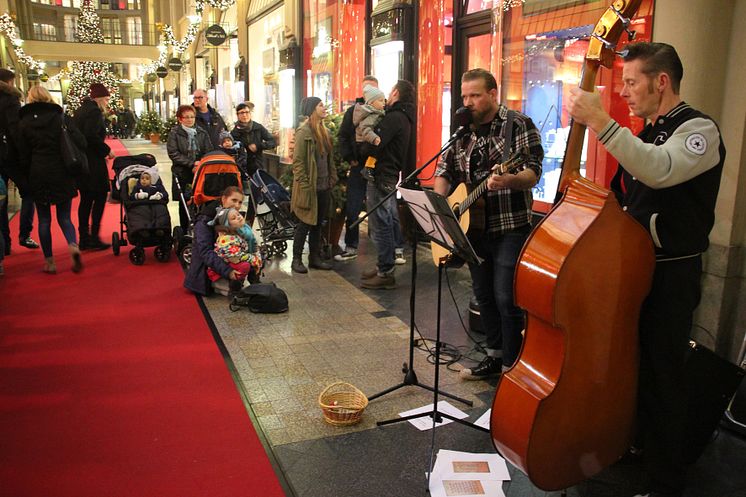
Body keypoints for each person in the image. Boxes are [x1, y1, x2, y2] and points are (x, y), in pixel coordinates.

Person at [567, 42, 725, 497]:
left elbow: (659, 172)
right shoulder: (651, 129)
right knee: (633, 366)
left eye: (632, 82)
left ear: (662, 81)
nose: (626, 92)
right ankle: (636, 444)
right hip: (636, 267)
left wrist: (601, 121)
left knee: (663, 373)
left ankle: (665, 479)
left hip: (672, 274)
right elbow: (630, 192)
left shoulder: (698, 130)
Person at [434, 68, 543, 378]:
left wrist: (510, 178)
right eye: (465, 96)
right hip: (473, 230)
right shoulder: (463, 130)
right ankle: (494, 356)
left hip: (510, 226)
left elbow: (533, 171)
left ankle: (512, 363)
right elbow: (444, 170)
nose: (468, 102)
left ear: (493, 94)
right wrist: (443, 208)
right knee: (483, 295)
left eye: (475, 95)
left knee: (506, 297)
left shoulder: (518, 125)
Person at [17, 85, 87, 274]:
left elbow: (23, 154)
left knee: (44, 220)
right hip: (60, 171)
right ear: (48, 97)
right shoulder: (59, 118)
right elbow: (78, 141)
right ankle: (73, 245)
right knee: (64, 217)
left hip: (38, 172)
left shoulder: (23, 122)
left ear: (30, 99)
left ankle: (50, 262)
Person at [359, 80, 417, 289]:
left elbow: (377, 143)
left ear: (395, 93)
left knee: (380, 224)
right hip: (390, 174)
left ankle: (385, 272)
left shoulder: (394, 118)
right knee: (383, 220)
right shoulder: (406, 117)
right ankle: (384, 265)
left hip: (382, 174)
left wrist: (365, 148)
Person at [290, 96, 337, 274]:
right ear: (312, 109)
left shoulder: (324, 131)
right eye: (320, 105)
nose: (324, 108)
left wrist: (332, 179)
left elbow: (329, 158)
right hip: (309, 187)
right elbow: (298, 162)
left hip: (324, 186)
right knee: (305, 223)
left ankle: (314, 258)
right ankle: (296, 259)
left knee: (318, 223)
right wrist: (305, 185)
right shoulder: (304, 133)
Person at [336, 75, 379, 261]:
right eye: (366, 88)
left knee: (382, 207)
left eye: (372, 88)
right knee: (353, 207)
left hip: (377, 166)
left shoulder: (382, 111)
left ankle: (388, 250)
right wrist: (350, 158)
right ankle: (351, 246)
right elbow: (343, 136)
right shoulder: (354, 112)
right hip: (358, 165)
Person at [184, 186, 252, 296]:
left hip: (226, 261)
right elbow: (205, 252)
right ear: (224, 199)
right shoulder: (205, 220)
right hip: (206, 273)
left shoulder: (232, 217)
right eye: (234, 200)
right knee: (243, 291)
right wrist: (228, 272)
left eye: (240, 202)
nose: (237, 205)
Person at [0, 67, 38, 254]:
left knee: (1, 200)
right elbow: (16, 131)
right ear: (9, 82)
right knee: (29, 193)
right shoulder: (10, 100)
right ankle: (24, 234)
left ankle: (4, 243)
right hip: (11, 156)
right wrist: (26, 156)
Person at [74, 82, 115, 251]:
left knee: (85, 200)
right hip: (93, 163)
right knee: (98, 198)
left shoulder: (81, 110)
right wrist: (107, 150)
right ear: (99, 98)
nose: (107, 102)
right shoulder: (94, 112)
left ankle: (84, 237)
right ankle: (93, 237)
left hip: (83, 161)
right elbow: (91, 136)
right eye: (106, 99)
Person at [166, 104, 213, 230]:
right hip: (182, 172)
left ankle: (202, 227)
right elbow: (173, 153)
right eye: (186, 117)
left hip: (200, 171)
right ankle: (185, 228)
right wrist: (191, 164)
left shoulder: (201, 132)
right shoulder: (175, 133)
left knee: (202, 199)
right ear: (180, 119)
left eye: (192, 117)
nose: (189, 119)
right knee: (185, 202)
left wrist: (200, 164)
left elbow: (208, 151)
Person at [206, 206, 262, 295]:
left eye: (238, 214)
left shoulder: (242, 231)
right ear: (227, 225)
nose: (239, 217)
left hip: (236, 260)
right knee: (245, 265)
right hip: (228, 264)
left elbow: (251, 248)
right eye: (234, 218)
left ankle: (253, 283)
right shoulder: (227, 239)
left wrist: (256, 257)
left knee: (256, 260)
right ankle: (235, 287)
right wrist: (253, 259)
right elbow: (235, 256)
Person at [230, 101, 276, 177]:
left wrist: (258, 146)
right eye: (241, 113)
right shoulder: (234, 132)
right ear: (237, 115)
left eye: (247, 112)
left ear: (250, 113)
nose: (245, 115)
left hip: (258, 166)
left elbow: (272, 142)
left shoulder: (258, 127)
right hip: (242, 168)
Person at [354, 84, 386, 182]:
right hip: (365, 140)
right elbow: (365, 129)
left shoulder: (376, 112)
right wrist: (374, 138)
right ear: (371, 103)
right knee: (375, 151)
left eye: (384, 100)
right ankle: (367, 169)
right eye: (380, 101)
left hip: (367, 139)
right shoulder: (371, 115)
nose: (384, 103)